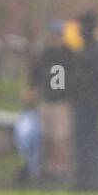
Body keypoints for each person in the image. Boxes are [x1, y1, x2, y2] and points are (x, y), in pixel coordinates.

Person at [66, 10, 98, 191]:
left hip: (90, 105)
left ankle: (92, 181)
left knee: (89, 142)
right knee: (82, 142)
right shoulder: (82, 51)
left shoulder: (96, 51)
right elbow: (63, 76)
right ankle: (83, 180)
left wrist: (94, 100)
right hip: (82, 103)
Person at [25, 20, 73, 183]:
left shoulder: (68, 55)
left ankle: (61, 169)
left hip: (62, 102)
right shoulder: (44, 54)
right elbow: (35, 73)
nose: (56, 39)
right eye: (54, 35)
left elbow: (74, 78)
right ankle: (44, 168)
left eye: (58, 35)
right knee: (45, 136)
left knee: (60, 137)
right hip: (46, 100)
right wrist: (32, 89)